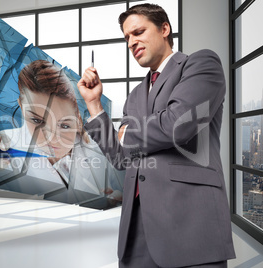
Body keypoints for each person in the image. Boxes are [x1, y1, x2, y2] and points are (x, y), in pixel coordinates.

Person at [78, 3, 235, 267]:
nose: (131, 42)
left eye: (138, 32)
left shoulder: (200, 64)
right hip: (136, 230)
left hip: (190, 225)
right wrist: (94, 104)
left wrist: (128, 133)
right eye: (127, 37)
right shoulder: (135, 95)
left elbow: (179, 124)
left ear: (165, 29)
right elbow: (121, 158)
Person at [0, 60, 124, 208]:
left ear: (77, 115)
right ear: (21, 105)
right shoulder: (2, 148)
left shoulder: (100, 148)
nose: (51, 137)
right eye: (37, 121)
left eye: (64, 125)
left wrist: (119, 202)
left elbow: (128, 188)